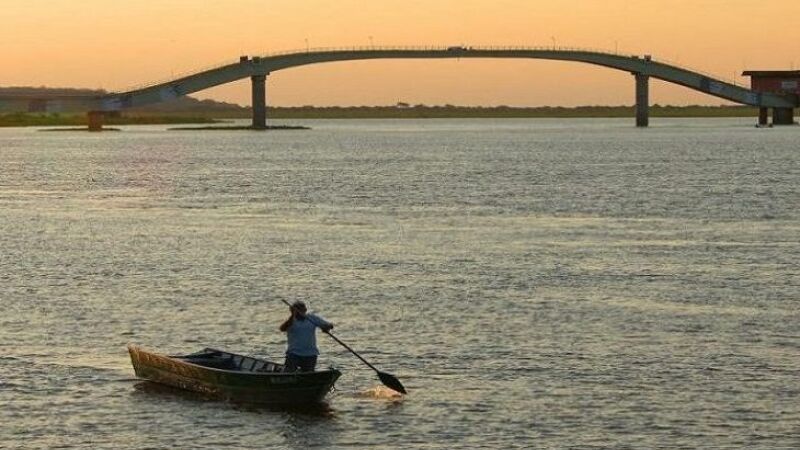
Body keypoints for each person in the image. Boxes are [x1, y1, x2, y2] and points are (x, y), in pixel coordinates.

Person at [279, 300, 334, 372]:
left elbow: (329, 325)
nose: (301, 312)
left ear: (305, 310)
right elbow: (282, 328)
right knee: (289, 371)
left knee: (309, 373)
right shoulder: (291, 321)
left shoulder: (312, 318)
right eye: (298, 310)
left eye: (302, 310)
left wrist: (326, 327)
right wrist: (293, 315)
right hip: (294, 353)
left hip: (310, 353)